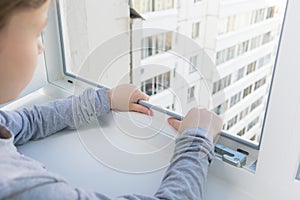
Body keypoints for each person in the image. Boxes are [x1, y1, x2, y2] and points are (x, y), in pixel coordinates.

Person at [0, 0, 223, 199]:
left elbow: (27, 122)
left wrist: (104, 99)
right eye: (37, 32)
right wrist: (196, 142)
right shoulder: (22, 187)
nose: (41, 47)